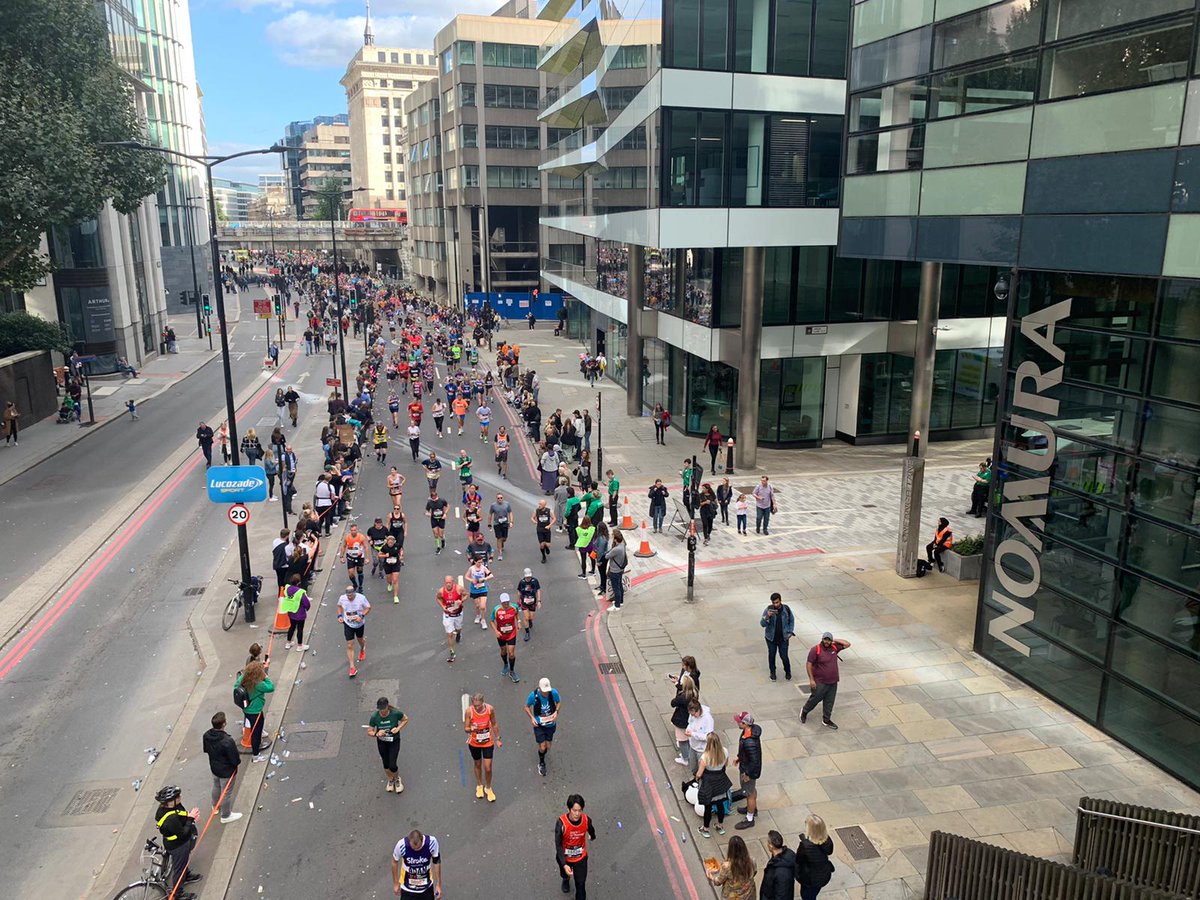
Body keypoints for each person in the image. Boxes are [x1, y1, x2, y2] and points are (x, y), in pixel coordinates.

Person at [153, 785, 201, 890]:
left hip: (171, 842)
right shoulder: (171, 819)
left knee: (182, 862)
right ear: (170, 802)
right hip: (178, 846)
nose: (180, 797)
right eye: (177, 797)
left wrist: (189, 818)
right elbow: (182, 834)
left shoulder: (168, 808)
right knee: (179, 869)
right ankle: (178, 893)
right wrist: (190, 820)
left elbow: (180, 815)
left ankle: (186, 875)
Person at [800, 632, 850, 729]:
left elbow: (847, 644)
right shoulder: (816, 650)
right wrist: (811, 680)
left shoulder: (834, 648)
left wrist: (835, 640)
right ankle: (805, 711)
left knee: (829, 701)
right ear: (822, 639)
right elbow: (809, 664)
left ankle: (826, 719)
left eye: (828, 640)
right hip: (820, 681)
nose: (826, 642)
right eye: (825, 639)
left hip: (833, 681)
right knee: (815, 699)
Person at [201, 712, 243, 824]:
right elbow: (235, 759)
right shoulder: (227, 741)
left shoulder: (206, 735)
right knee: (226, 793)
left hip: (214, 767)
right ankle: (226, 815)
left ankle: (215, 807)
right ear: (224, 723)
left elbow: (206, 750)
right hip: (226, 771)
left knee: (216, 786)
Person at [555, 793, 596, 899]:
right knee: (564, 874)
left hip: (580, 858)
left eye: (580, 810)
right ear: (568, 808)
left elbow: (591, 829)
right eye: (574, 810)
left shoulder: (586, 820)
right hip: (565, 857)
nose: (577, 814)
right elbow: (558, 845)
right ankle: (565, 879)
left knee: (581, 885)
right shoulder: (561, 823)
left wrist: (592, 836)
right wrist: (564, 864)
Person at [695, 732, 733, 838]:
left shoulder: (705, 756)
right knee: (720, 805)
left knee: (708, 807)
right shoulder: (724, 751)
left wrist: (697, 778)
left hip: (709, 784)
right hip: (720, 782)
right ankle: (720, 826)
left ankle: (705, 829)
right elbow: (726, 764)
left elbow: (699, 773)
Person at [368, 696, 409, 794]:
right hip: (382, 742)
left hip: (394, 741)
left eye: (384, 710)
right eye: (380, 710)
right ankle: (390, 779)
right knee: (386, 764)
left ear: (387, 707)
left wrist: (398, 728)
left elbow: (405, 719)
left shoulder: (395, 713)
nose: (382, 712)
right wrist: (376, 734)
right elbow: (369, 730)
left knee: (392, 764)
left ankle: (397, 779)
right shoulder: (374, 717)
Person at [464, 692, 500, 802]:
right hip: (474, 742)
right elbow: (466, 728)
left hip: (487, 741)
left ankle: (488, 788)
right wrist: (471, 729)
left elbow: (494, 723)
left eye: (479, 705)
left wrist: (498, 738)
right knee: (477, 764)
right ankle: (479, 785)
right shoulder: (469, 711)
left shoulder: (490, 709)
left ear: (483, 702)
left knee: (488, 767)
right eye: (475, 706)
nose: (477, 708)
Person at [235, 660, 274, 760]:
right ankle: (256, 755)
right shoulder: (258, 684)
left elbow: (236, 686)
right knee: (256, 732)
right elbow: (271, 687)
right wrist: (266, 677)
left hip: (246, 709)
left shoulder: (242, 678)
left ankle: (256, 749)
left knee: (253, 728)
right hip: (255, 711)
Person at [525, 676, 562, 776]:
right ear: (540, 688)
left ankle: (542, 751)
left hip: (550, 724)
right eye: (544, 691)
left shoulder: (553, 693)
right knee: (542, 746)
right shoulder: (533, 696)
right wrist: (532, 718)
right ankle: (541, 763)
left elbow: (558, 702)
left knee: (548, 747)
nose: (546, 693)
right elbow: (526, 707)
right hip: (539, 725)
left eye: (547, 690)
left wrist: (556, 712)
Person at [732, 711, 762, 830]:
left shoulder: (750, 741)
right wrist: (740, 758)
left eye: (739, 722)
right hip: (746, 766)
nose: (737, 723)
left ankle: (750, 818)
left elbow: (754, 761)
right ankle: (752, 809)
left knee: (748, 793)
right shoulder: (747, 733)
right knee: (751, 790)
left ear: (745, 723)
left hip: (748, 771)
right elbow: (747, 754)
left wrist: (748, 774)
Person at [795, 815, 836, 900]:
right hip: (823, 875)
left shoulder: (805, 846)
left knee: (807, 896)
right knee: (814, 893)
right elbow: (829, 851)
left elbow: (798, 860)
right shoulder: (827, 840)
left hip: (810, 879)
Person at [391, 829, 441, 898]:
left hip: (426, 888)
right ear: (409, 841)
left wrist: (438, 884)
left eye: (419, 848)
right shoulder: (401, 845)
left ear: (422, 839)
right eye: (413, 849)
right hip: (407, 889)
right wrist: (396, 883)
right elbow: (394, 862)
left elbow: (436, 861)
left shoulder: (431, 842)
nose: (416, 851)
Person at [337, 584, 371, 678]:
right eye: (348, 596)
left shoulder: (361, 598)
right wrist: (340, 616)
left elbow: (368, 608)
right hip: (348, 624)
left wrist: (361, 616)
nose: (349, 598)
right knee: (349, 644)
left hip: (359, 624)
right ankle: (352, 667)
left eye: (351, 596)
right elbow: (339, 606)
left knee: (360, 640)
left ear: (354, 593)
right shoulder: (342, 598)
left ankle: (362, 648)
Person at [709, 834, 756, 900]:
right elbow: (754, 872)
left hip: (733, 896)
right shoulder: (752, 861)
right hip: (748, 894)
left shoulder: (727, 866)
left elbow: (718, 881)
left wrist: (712, 877)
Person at [761, 592, 794, 681]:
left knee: (784, 656)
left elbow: (791, 620)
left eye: (777, 602)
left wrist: (790, 632)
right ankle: (772, 673)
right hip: (771, 638)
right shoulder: (768, 610)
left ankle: (788, 671)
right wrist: (768, 616)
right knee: (772, 655)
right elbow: (762, 624)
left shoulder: (786, 609)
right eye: (774, 603)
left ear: (780, 601)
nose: (776, 605)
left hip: (783, 638)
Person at [490, 592, 521, 682]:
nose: (506, 604)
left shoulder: (514, 607)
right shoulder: (496, 610)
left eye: (507, 602)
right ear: (501, 602)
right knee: (503, 651)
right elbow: (491, 621)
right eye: (504, 602)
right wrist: (496, 631)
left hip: (511, 633)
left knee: (511, 653)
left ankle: (512, 671)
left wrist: (519, 622)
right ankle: (505, 664)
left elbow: (517, 615)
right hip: (501, 635)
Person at [669, 673, 698, 765]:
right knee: (688, 738)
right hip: (690, 719)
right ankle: (689, 754)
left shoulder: (682, 697)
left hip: (681, 720)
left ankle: (685, 758)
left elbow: (673, 703)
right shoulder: (694, 692)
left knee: (681, 740)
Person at [760, 830, 797, 900]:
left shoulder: (780, 872)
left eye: (767, 842)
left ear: (771, 846)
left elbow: (782, 894)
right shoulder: (789, 854)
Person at [437, 575, 465, 663]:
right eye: (446, 583)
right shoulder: (441, 591)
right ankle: (452, 652)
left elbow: (466, 595)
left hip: (458, 613)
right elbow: (438, 598)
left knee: (458, 628)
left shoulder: (459, 588)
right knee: (449, 634)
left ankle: (459, 633)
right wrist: (443, 606)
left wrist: (461, 601)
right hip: (448, 615)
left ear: (453, 582)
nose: (448, 584)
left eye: (449, 582)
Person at [684, 698, 714, 777]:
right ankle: (695, 780)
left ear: (698, 710)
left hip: (702, 749)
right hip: (693, 746)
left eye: (694, 714)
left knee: (702, 771)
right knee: (693, 768)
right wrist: (688, 729)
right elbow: (690, 723)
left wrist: (693, 734)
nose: (693, 716)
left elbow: (708, 737)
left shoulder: (708, 719)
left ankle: (701, 784)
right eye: (691, 714)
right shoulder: (692, 714)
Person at [280, 575, 310, 650]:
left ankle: (288, 642)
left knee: (292, 627)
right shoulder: (300, 592)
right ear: (299, 582)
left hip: (291, 611)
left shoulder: (287, 589)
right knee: (300, 629)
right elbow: (306, 603)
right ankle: (300, 645)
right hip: (300, 613)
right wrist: (307, 608)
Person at [466, 556, 494, 630]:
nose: (480, 563)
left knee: (483, 606)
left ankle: (483, 620)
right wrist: (472, 580)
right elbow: (466, 577)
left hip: (483, 589)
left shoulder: (483, 568)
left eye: (481, 562)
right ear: (475, 562)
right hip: (474, 589)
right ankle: (478, 615)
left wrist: (484, 578)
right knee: (477, 605)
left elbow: (491, 575)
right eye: (479, 562)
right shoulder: (471, 569)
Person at [341, 523, 370, 592]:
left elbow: (366, 547)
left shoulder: (361, 537)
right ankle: (354, 583)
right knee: (351, 573)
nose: (353, 532)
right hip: (350, 557)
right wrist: (341, 557)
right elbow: (344, 546)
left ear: (357, 530)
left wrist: (367, 558)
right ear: (350, 531)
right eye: (352, 530)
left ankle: (360, 586)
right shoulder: (347, 537)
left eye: (354, 530)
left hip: (359, 557)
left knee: (359, 571)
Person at [517, 567, 542, 640]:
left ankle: (530, 620)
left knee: (531, 617)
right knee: (526, 618)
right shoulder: (522, 582)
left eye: (529, 577)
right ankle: (527, 633)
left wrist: (539, 601)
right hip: (524, 602)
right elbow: (519, 592)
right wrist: (518, 601)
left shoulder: (535, 581)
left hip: (532, 603)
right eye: (527, 577)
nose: (528, 578)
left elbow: (538, 590)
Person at [605, 530, 628, 610]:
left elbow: (607, 556)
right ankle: (620, 601)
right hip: (620, 569)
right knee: (620, 585)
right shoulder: (623, 544)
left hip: (615, 570)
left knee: (616, 588)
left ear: (615, 539)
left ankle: (617, 605)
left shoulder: (616, 549)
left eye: (612, 536)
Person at [488, 492, 513, 561]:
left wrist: (511, 522)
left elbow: (510, 512)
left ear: (503, 498)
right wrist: (489, 523)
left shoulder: (507, 504)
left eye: (501, 498)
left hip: (505, 523)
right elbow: (490, 514)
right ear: (496, 499)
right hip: (497, 524)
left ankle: (502, 543)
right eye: (498, 498)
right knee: (499, 538)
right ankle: (500, 553)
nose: (500, 499)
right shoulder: (493, 505)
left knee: (504, 538)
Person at [381, 534, 402, 603]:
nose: (390, 544)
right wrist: (384, 555)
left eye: (392, 542)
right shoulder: (384, 547)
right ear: (387, 542)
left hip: (396, 564)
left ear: (394, 542)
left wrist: (401, 555)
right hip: (387, 565)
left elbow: (401, 549)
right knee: (389, 579)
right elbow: (379, 555)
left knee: (395, 580)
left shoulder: (397, 546)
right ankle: (390, 584)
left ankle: (395, 596)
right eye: (389, 542)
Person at [425, 489, 448, 554]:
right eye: (433, 498)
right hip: (434, 519)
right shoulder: (429, 502)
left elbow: (447, 506)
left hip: (441, 519)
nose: (434, 499)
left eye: (435, 498)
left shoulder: (442, 500)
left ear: (437, 496)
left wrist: (445, 513)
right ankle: (438, 547)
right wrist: (428, 514)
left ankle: (443, 539)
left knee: (440, 534)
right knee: (435, 534)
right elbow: (427, 511)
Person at [532, 499, 555, 563]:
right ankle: (543, 556)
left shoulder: (549, 511)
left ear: (544, 505)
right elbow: (532, 517)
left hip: (547, 529)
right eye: (539, 504)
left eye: (541, 504)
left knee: (547, 545)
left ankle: (547, 547)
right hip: (540, 529)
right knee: (541, 544)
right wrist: (534, 521)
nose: (539, 505)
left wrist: (549, 525)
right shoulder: (536, 511)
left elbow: (554, 518)